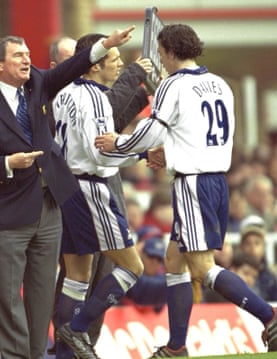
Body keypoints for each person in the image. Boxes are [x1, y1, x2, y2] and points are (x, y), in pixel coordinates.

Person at [94, 23, 277, 356]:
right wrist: (175, 152)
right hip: (216, 177)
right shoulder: (219, 83)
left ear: (167, 51)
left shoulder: (173, 84)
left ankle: (269, 315)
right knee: (174, 261)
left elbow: (151, 132)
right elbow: (206, 133)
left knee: (202, 267)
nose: (160, 58)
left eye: (161, 52)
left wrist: (118, 143)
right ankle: (176, 345)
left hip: (192, 182)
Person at [0, 26, 136, 359]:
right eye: (18, 56)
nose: (27, 60)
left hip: (50, 205)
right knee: (8, 296)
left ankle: (37, 354)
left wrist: (104, 45)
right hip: (7, 211)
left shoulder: (39, 84)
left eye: (28, 54)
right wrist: (7, 162)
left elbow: (70, 67)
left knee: (42, 295)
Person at [52, 32, 154, 359]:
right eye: (114, 59)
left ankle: (67, 353)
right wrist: (141, 154)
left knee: (76, 277)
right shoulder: (96, 98)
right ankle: (78, 328)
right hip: (92, 189)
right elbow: (102, 155)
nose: (120, 63)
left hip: (66, 188)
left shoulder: (63, 93)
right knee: (132, 268)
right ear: (95, 66)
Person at [238, 220, 277, 302]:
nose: (252, 248)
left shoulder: (273, 277)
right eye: (248, 243)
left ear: (263, 248)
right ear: (241, 247)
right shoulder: (232, 271)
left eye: (257, 243)